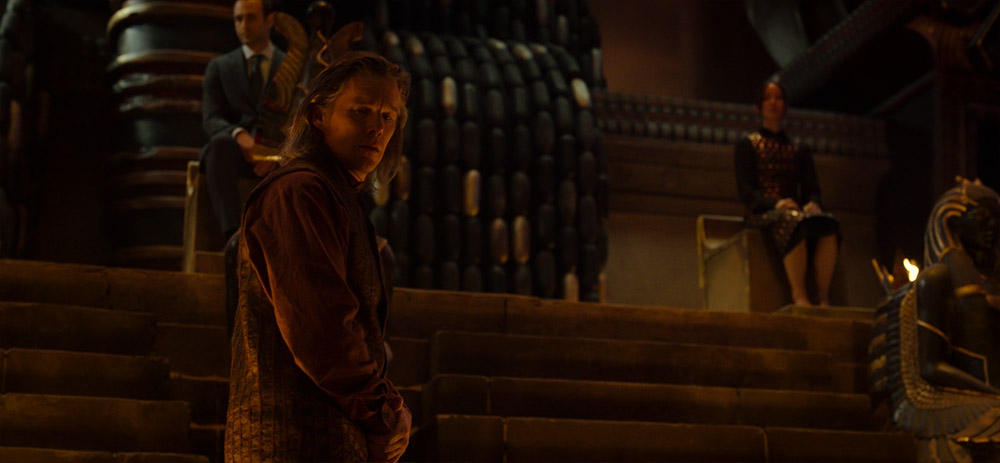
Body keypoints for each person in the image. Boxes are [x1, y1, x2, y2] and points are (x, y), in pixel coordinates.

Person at [224, 52, 411, 462]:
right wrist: (382, 411)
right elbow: (320, 325)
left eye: (388, 116)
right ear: (318, 116)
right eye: (361, 111)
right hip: (291, 439)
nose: (377, 128)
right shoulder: (299, 192)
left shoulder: (340, 197)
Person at [868, 178, 1000, 462]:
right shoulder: (937, 278)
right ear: (954, 222)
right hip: (946, 395)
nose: (991, 227)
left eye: (995, 220)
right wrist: (990, 391)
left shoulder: (992, 281)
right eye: (981, 219)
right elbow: (930, 366)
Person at [733, 79, 840, 306]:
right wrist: (775, 204)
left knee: (828, 224)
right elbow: (746, 191)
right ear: (759, 106)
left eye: (779, 98)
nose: (773, 103)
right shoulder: (747, 144)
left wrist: (812, 203)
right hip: (762, 212)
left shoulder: (799, 147)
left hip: (794, 209)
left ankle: (822, 296)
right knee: (792, 222)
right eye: (768, 98)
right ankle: (799, 295)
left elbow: (812, 189)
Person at [200, 0, 285, 241]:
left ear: (269, 20)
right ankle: (234, 237)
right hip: (235, 154)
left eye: (251, 17)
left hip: (279, 154)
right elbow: (211, 118)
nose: (243, 25)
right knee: (219, 145)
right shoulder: (219, 66)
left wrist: (274, 150)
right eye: (238, 19)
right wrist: (239, 135)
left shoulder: (290, 66)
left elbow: (300, 118)